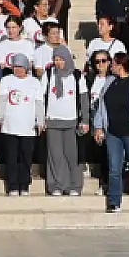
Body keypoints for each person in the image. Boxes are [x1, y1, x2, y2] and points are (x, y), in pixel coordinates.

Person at [91, 50, 129, 214]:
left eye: (113, 63)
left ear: (120, 65)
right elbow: (102, 107)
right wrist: (99, 126)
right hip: (113, 132)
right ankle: (114, 201)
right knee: (114, 168)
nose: (110, 66)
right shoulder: (110, 82)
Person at [39, 43, 87, 196]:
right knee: (55, 155)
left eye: (61, 59)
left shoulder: (77, 75)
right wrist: (41, 119)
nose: (58, 62)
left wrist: (84, 119)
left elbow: (83, 99)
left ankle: (74, 185)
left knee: (72, 155)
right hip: (52, 120)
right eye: (56, 59)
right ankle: (56, 185)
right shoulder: (48, 74)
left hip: (72, 121)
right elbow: (40, 98)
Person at [0, 52, 42, 196]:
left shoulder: (34, 82)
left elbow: (39, 103)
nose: (18, 69)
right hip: (10, 126)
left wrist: (40, 121)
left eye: (21, 67)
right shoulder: (6, 80)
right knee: (11, 157)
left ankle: (24, 185)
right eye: (15, 66)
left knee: (26, 158)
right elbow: (2, 100)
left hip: (28, 127)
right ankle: (13, 186)